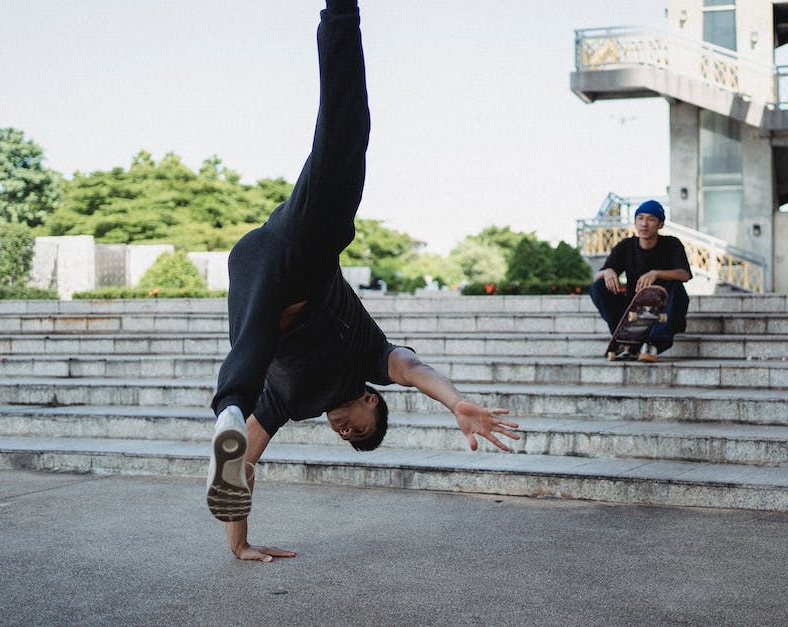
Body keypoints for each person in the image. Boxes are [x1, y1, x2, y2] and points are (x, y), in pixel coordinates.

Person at [206, 0, 520, 562]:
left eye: (344, 436)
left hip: (260, 280)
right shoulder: (370, 361)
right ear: (372, 399)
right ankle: (341, 10)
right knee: (343, 138)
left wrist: (240, 545)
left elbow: (244, 463)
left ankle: (228, 408)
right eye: (359, 428)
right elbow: (412, 367)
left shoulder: (288, 404)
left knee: (251, 354)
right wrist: (457, 403)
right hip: (299, 251)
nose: (343, 429)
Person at [589, 200, 692, 362]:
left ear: (661, 224)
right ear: (635, 222)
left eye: (651, 219)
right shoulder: (626, 246)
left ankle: (653, 344)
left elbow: (684, 274)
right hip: (633, 310)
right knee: (598, 286)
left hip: (664, 310)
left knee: (676, 286)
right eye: (640, 218)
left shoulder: (672, 243)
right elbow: (597, 276)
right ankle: (624, 338)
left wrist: (656, 273)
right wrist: (607, 271)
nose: (644, 224)